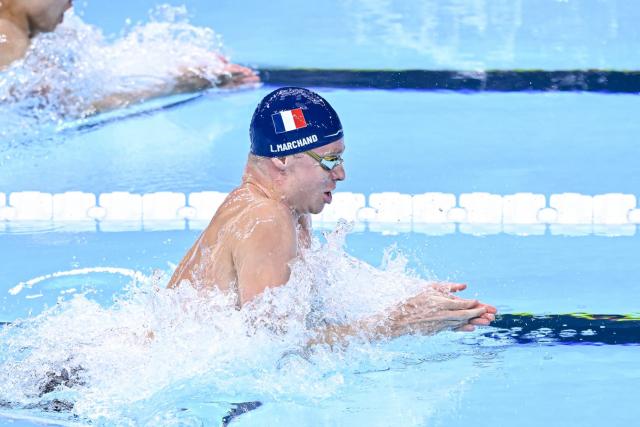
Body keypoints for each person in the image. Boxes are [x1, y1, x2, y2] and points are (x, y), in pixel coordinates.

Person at [168, 87, 497, 344]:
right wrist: (403, 322)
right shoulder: (266, 216)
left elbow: (315, 295)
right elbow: (271, 352)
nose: (341, 174)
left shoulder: (284, 207)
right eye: (329, 160)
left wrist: (411, 299)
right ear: (283, 158)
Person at [0, 0, 259, 111]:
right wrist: (179, 83)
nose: (72, 4)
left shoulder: (42, 32)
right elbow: (68, 104)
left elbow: (89, 79)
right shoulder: (8, 41)